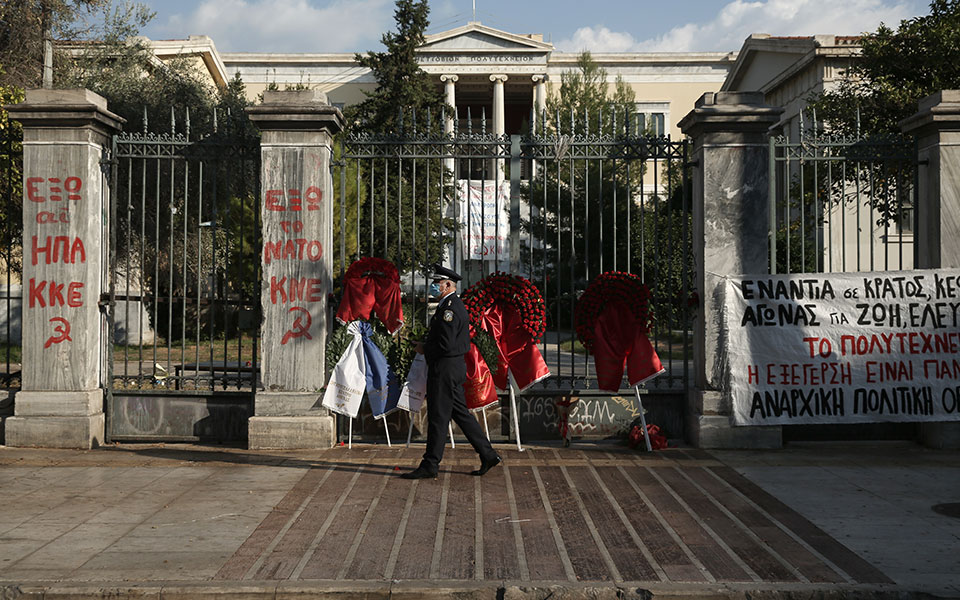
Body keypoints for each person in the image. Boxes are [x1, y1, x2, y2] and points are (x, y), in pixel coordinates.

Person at [400, 264, 501, 479]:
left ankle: (430, 464)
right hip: (451, 367)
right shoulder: (449, 305)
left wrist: (424, 348)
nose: (433, 287)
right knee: (461, 414)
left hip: (445, 369)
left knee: (438, 416)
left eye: (437, 283)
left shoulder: (449, 309)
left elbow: (445, 344)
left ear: (448, 285)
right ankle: (488, 454)